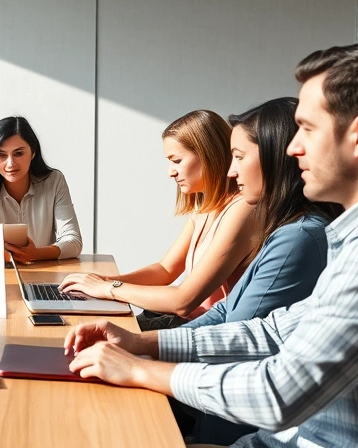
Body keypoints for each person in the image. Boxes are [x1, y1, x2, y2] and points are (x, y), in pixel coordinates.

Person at [65, 38, 358, 448]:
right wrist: (145, 342)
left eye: (305, 128)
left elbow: (280, 392)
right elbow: (275, 330)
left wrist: (142, 370)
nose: (293, 147)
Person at [178, 97, 341, 445]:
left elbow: (240, 336)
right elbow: (224, 310)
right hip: (223, 407)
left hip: (235, 430)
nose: (230, 171)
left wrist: (145, 357)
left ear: (275, 156)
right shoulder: (284, 229)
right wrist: (146, 345)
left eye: (238, 157)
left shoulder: (299, 237)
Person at [61, 110, 257, 330]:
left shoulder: (242, 209)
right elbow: (165, 269)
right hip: (185, 322)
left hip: (202, 331)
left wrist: (110, 288)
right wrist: (103, 281)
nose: (170, 173)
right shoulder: (203, 208)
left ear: (207, 155)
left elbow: (183, 302)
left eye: (177, 161)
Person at [0, 116, 82, 261]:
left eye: (18, 153)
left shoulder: (54, 182)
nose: (10, 164)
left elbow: (73, 241)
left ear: (33, 152)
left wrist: (37, 254)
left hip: (46, 274)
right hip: (0, 275)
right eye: (1, 155)